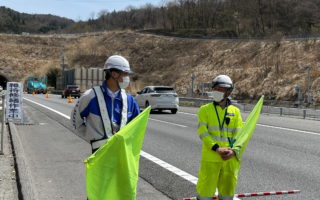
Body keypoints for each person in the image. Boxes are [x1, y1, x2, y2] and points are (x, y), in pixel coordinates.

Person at [71, 55, 140, 153]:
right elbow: (76, 122)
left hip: (123, 154)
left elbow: (137, 127)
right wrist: (92, 136)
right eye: (125, 74)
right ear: (114, 74)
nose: (127, 78)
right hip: (99, 155)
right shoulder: (90, 96)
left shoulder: (130, 100)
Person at [196, 75, 243, 200]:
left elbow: (240, 135)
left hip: (230, 159)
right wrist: (216, 148)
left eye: (221, 89)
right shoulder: (204, 110)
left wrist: (233, 151)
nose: (217, 92)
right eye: (215, 89)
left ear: (228, 92)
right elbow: (203, 132)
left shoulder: (236, 111)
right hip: (211, 158)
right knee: (204, 193)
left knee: (227, 194)